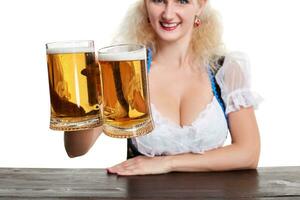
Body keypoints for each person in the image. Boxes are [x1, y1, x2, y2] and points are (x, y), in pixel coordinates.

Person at [64, 0, 262, 176]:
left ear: (200, 5)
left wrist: (166, 163)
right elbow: (76, 149)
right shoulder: (128, 70)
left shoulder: (224, 69)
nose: (168, 13)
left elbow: (249, 153)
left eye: (182, 1)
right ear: (145, 5)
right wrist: (88, 97)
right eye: (158, 0)